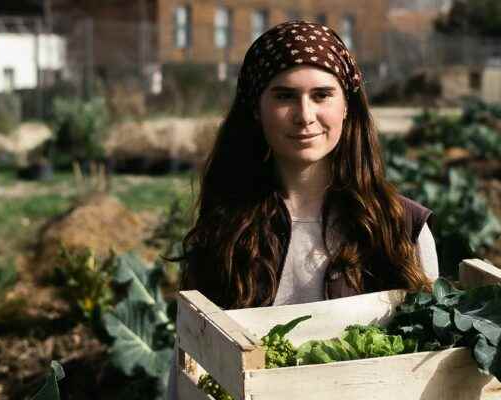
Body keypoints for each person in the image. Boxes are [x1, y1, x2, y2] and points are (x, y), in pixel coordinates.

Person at [166, 20, 438, 399]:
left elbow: (432, 367)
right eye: (284, 96)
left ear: (347, 106)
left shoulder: (401, 228)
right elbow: (189, 361)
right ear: (256, 109)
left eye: (322, 95)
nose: (304, 114)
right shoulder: (225, 231)